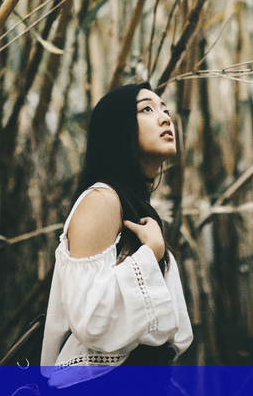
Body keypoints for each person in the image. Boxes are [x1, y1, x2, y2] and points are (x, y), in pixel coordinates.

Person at [40, 82, 193, 392]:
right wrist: (150, 253)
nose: (165, 117)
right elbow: (90, 321)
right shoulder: (102, 200)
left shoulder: (132, 205)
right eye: (147, 109)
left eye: (164, 109)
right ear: (117, 129)